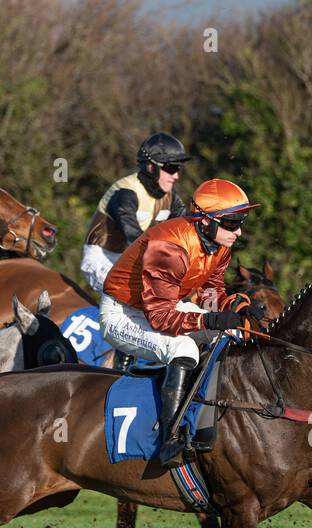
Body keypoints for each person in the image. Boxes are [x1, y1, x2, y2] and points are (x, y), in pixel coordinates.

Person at [99, 178, 261, 466]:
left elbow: (211, 293)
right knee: (183, 349)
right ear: (205, 221)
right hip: (123, 314)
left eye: (242, 221)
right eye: (232, 222)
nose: (239, 231)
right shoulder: (168, 248)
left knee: (228, 337)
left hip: (163, 306)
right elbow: (161, 318)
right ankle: (169, 439)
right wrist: (210, 318)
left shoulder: (221, 246)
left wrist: (236, 306)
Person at [80, 132, 191, 294]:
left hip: (130, 260)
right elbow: (135, 238)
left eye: (178, 168)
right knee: (137, 297)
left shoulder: (171, 197)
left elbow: (183, 232)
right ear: (151, 166)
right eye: (171, 168)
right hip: (102, 259)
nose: (176, 176)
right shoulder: (125, 192)